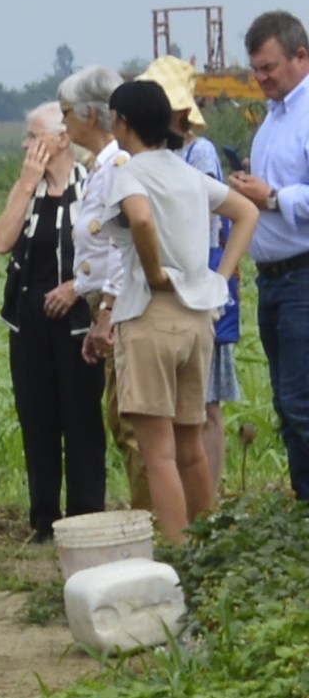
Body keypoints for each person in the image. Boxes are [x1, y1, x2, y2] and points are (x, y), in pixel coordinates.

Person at [100, 81, 257, 543]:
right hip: (196, 320)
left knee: (159, 454)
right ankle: (207, 547)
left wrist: (152, 271)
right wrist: (221, 276)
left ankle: (177, 552)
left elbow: (141, 219)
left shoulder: (129, 174)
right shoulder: (188, 172)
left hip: (151, 315)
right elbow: (246, 212)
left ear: (122, 123)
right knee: (191, 448)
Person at [0, 103, 105, 543]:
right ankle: (43, 520)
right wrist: (24, 184)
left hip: (80, 323)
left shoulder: (93, 185)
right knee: (37, 420)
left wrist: (76, 286)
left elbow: (112, 252)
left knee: (81, 419)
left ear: (61, 139)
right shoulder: (30, 191)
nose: (25, 144)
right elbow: (1, 240)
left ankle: (86, 516)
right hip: (30, 325)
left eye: (33, 134)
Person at [137, 56, 242, 495]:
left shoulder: (199, 154)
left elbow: (206, 222)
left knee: (206, 402)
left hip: (203, 277)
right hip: (168, 286)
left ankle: (209, 495)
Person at [60, 67, 154, 516]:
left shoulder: (116, 166)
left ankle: (154, 524)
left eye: (66, 114)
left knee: (132, 420)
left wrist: (107, 310)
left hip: (119, 304)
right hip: (106, 301)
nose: (63, 125)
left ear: (90, 114)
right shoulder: (98, 168)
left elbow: (121, 246)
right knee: (121, 418)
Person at [227, 10, 309, 500]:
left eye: (269, 68)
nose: (260, 78)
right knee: (286, 402)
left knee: (301, 402)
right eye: (255, 69)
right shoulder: (272, 120)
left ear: (301, 57)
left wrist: (273, 197)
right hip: (273, 280)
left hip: (303, 277)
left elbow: (279, 195)